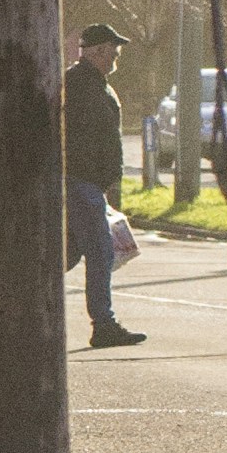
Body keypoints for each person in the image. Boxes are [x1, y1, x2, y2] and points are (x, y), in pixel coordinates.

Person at [65, 20, 143, 349]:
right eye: (113, 50)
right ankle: (104, 324)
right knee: (100, 252)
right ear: (97, 51)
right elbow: (82, 135)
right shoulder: (80, 84)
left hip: (89, 183)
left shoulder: (95, 83)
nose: (116, 57)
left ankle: (17, 305)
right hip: (81, 181)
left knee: (67, 255)